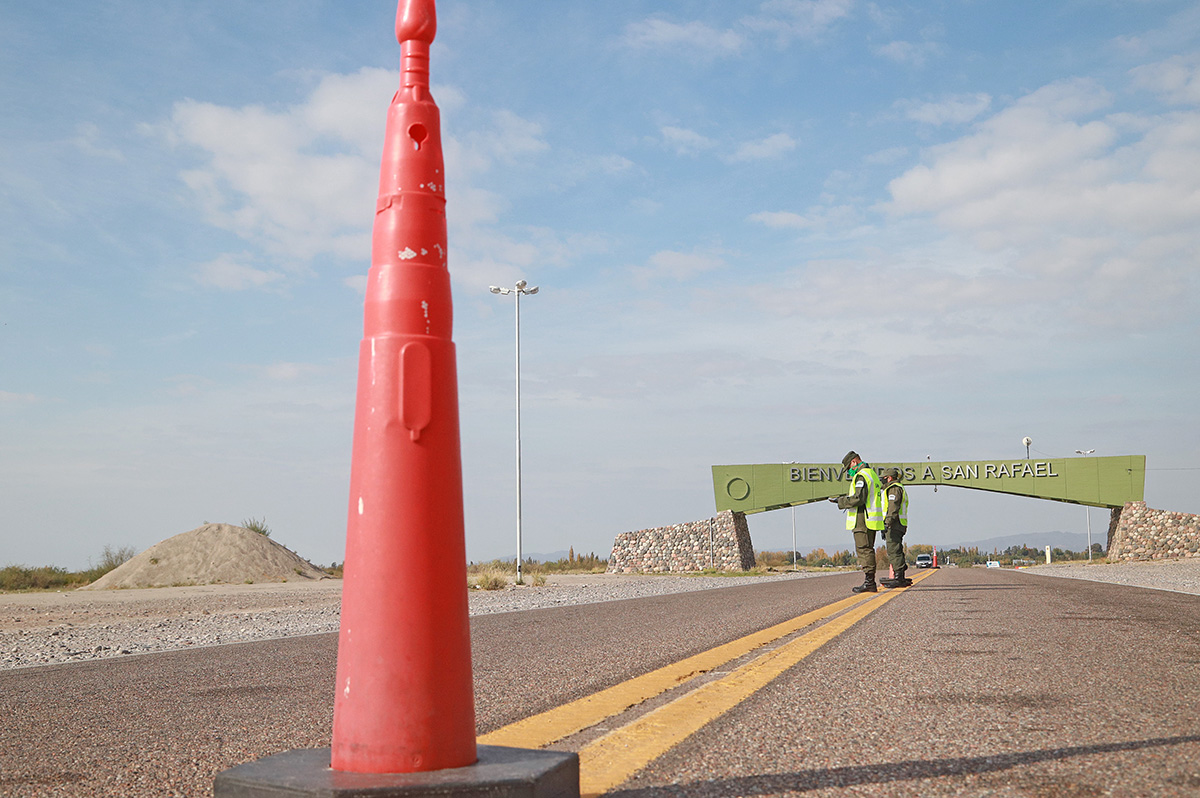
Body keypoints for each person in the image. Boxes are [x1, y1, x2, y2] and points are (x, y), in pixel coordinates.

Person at [828, 451, 884, 593]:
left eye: (849, 468)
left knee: (864, 549)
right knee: (868, 549)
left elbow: (858, 498)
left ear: (854, 462)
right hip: (871, 518)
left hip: (863, 519)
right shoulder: (872, 474)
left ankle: (869, 582)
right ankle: (869, 581)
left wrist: (840, 501)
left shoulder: (861, 476)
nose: (849, 472)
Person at [879, 468, 912, 588]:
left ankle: (898, 577)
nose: (882, 480)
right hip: (897, 524)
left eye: (884, 477)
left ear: (889, 478)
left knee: (893, 550)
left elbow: (893, 508)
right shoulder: (896, 488)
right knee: (896, 549)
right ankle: (900, 575)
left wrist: (887, 523)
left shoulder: (894, 489)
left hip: (894, 524)